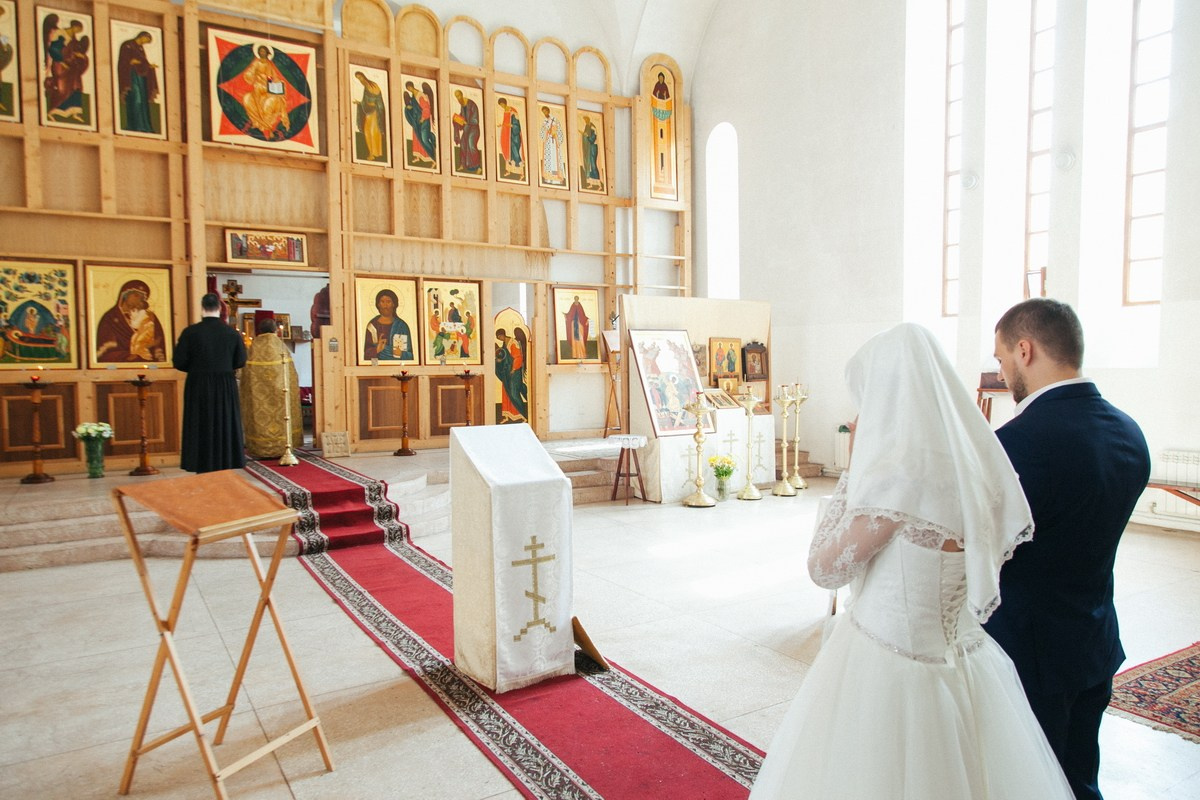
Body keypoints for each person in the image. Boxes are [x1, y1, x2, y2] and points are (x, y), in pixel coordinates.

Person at [749, 323, 1072, 800]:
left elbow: (825, 570)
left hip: (891, 666)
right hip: (970, 663)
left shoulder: (898, 478)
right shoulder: (979, 467)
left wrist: (856, 470)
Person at [984, 298, 1150, 800]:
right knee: (1079, 779)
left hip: (1027, 653)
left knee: (1030, 783)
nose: (1001, 369)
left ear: (1025, 349)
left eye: (1001, 357)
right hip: (1094, 640)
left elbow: (980, 548)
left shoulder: (1014, 444)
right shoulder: (1130, 431)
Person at [173, 293, 246, 472]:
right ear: (220, 309)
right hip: (224, 384)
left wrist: (198, 368)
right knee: (224, 420)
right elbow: (240, 360)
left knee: (200, 422)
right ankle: (226, 460)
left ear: (202, 308)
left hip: (198, 383)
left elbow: (179, 361)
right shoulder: (231, 333)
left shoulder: (190, 332)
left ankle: (199, 462)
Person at [240, 318, 301, 459]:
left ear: (258, 330)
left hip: (258, 395)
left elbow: (245, 375)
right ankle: (283, 447)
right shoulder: (281, 347)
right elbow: (291, 374)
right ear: (275, 330)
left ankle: (260, 448)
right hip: (280, 393)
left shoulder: (253, 348)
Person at [95, 279, 166, 363]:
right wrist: (125, 356)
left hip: (147, 362)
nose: (140, 300)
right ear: (125, 295)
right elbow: (104, 350)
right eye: (136, 295)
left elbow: (158, 342)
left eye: (143, 298)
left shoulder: (150, 317)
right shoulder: (110, 317)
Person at [240, 45, 289, 139]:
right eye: (260, 51)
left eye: (264, 51)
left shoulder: (269, 64)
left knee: (274, 100)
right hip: (258, 86)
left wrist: (275, 83)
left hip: (267, 86)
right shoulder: (256, 63)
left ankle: (268, 126)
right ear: (258, 53)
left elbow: (272, 76)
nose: (262, 53)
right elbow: (250, 72)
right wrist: (250, 75)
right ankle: (262, 123)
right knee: (257, 103)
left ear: (267, 53)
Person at [116, 31, 158, 134]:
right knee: (136, 99)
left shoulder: (140, 48)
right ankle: (136, 125)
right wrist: (131, 62)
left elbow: (143, 62)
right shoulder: (127, 45)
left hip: (141, 77)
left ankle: (144, 125)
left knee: (143, 100)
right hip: (131, 77)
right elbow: (123, 61)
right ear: (142, 37)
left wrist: (149, 66)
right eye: (146, 40)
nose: (145, 43)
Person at [362, 288, 413, 361]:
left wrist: (401, 354)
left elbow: (411, 355)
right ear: (378, 304)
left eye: (388, 302)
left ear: (394, 304)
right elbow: (365, 355)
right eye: (382, 302)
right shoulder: (372, 326)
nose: (385, 306)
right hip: (378, 367)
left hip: (398, 366)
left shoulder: (402, 326)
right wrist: (376, 350)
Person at [495, 328, 527, 422]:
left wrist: (513, 368)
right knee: (506, 392)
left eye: (499, 337)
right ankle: (507, 416)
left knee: (514, 393)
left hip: (514, 372)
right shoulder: (505, 344)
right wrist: (499, 360)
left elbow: (518, 357)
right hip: (507, 373)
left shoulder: (513, 343)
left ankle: (522, 415)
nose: (499, 339)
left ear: (502, 335)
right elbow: (504, 356)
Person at [354, 71, 387, 162]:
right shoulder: (368, 86)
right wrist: (360, 103)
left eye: (360, 77)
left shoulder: (372, 86)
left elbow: (376, 98)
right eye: (358, 78)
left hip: (374, 112)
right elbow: (368, 101)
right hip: (370, 111)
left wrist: (364, 104)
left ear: (364, 77)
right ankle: (373, 152)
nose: (360, 80)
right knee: (368, 131)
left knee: (371, 131)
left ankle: (373, 153)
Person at [452, 89, 482, 175]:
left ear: (461, 95)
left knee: (471, 144)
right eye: (456, 97)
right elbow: (462, 116)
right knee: (463, 144)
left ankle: (478, 166)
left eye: (458, 96)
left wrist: (466, 122)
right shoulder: (462, 105)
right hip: (466, 129)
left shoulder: (472, 104)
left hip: (474, 129)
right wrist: (456, 119)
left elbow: (475, 119)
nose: (458, 98)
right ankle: (463, 164)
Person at [496, 97, 524, 179]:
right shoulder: (506, 111)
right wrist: (502, 125)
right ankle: (508, 170)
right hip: (507, 136)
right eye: (500, 105)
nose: (502, 106)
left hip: (514, 136)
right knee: (508, 153)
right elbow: (506, 122)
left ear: (505, 103)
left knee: (515, 153)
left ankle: (521, 173)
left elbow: (517, 125)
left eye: (502, 104)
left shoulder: (513, 111)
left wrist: (510, 125)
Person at [539, 105, 565, 186]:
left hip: (554, 142)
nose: (544, 113)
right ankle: (548, 177)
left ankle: (557, 177)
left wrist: (555, 134)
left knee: (555, 159)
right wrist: (547, 132)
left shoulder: (555, 120)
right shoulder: (544, 121)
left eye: (545, 111)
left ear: (548, 111)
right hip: (548, 143)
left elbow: (559, 130)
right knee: (549, 159)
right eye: (543, 112)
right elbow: (542, 132)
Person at [563, 295, 589, 359]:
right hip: (574, 324)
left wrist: (586, 319)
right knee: (575, 339)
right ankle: (575, 355)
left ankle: (582, 354)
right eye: (575, 298)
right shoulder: (573, 305)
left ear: (578, 299)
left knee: (580, 339)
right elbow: (570, 314)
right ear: (574, 299)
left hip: (579, 324)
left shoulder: (580, 306)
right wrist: (566, 315)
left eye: (577, 298)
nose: (576, 299)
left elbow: (582, 315)